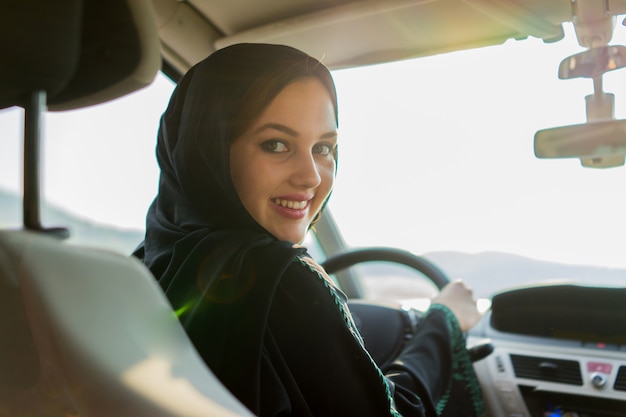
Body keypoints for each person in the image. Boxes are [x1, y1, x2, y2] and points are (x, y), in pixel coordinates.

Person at [134, 43, 484, 417]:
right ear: (208, 149)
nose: (311, 176)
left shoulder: (144, 266)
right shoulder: (279, 282)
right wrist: (443, 322)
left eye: (323, 148)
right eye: (276, 144)